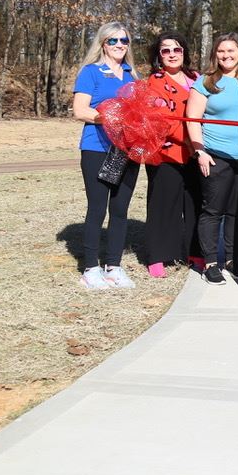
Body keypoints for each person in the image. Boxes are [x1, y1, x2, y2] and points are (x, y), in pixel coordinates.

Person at [72, 21, 140, 290]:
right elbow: (80, 110)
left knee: (120, 209)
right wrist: (110, 117)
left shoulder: (131, 75)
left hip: (127, 149)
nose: (120, 45)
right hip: (97, 148)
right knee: (97, 208)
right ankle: (90, 268)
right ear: (103, 43)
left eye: (124, 41)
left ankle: (114, 267)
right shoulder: (91, 72)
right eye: (113, 41)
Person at [186, 34, 238, 285]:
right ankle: (211, 262)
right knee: (213, 211)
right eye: (221, 51)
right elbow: (192, 119)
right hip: (215, 156)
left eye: (231, 51)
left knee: (236, 212)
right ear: (215, 54)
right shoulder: (206, 82)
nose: (226, 56)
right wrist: (200, 151)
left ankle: (233, 259)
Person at [142, 31, 202, 278]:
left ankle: (195, 251)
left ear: (184, 52)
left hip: (196, 149)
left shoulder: (196, 78)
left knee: (196, 201)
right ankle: (158, 255)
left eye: (177, 49)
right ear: (159, 55)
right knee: (163, 204)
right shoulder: (153, 81)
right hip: (167, 151)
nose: (172, 54)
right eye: (166, 50)